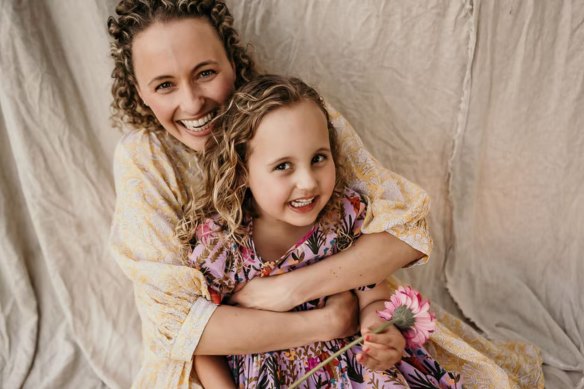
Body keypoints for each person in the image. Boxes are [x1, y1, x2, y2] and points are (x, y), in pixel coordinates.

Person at [106, 1, 543, 388]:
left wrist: (291, 291)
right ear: (139, 93)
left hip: (353, 351)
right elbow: (184, 329)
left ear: (232, 62)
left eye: (205, 72)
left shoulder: (291, 113)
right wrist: (329, 321)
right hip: (240, 365)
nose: (193, 102)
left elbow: (403, 231)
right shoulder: (147, 166)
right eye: (164, 85)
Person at [182, 74, 462, 388]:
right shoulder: (221, 244)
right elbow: (203, 344)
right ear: (242, 170)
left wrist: (381, 332)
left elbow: (373, 295)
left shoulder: (342, 219)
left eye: (318, 158)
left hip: (354, 372)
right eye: (283, 166)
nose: (308, 182)